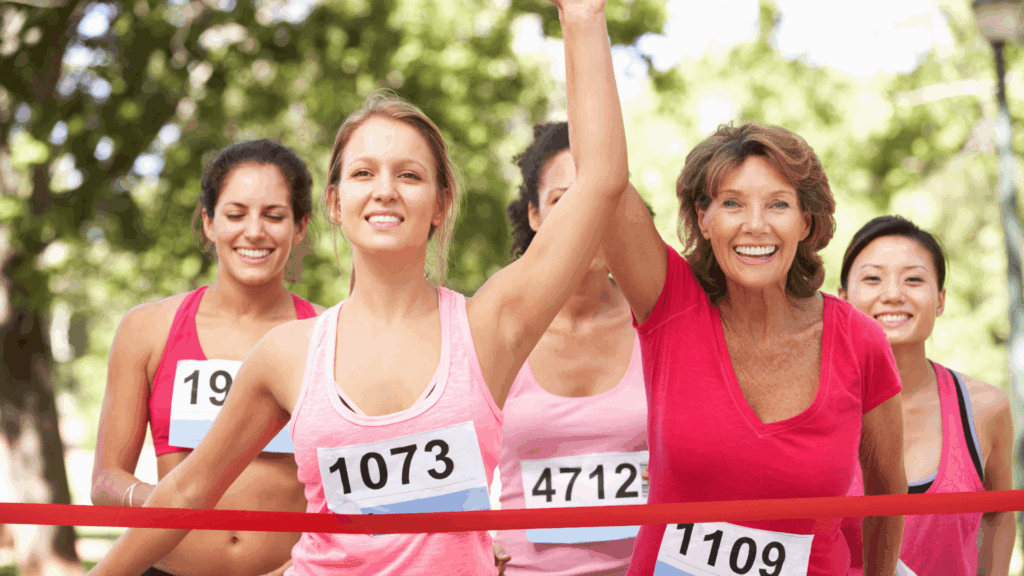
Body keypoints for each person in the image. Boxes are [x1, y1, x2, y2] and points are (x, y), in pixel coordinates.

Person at [85, 0, 629, 573]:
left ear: (441, 203)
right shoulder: (287, 353)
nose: (386, 190)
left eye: (411, 175)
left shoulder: (490, 326)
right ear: (334, 203)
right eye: (364, 173)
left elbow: (602, 180)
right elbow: (183, 496)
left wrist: (583, 16)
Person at [599, 123, 908, 576]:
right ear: (704, 218)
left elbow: (888, 492)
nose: (756, 224)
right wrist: (586, 45)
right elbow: (603, 178)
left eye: (778, 204)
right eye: (732, 203)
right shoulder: (670, 307)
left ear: (806, 221)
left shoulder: (861, 342)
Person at [90, 139, 324, 576]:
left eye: (274, 216)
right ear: (209, 222)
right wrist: (172, 502)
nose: (254, 231)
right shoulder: (148, 329)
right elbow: (105, 483)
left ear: (300, 227)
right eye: (235, 214)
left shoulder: (330, 336)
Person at [495, 121, 648, 575]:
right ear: (535, 215)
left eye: (602, 198)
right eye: (565, 200)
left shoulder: (659, 326)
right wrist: (468, 543)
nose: (587, 216)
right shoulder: (497, 330)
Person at [838, 215, 1015, 576]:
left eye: (914, 279)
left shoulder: (985, 409)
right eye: (872, 278)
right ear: (842, 300)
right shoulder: (805, 406)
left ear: (940, 300)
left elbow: (998, 516)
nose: (892, 294)